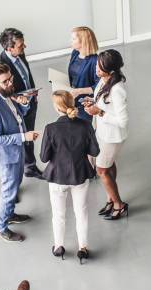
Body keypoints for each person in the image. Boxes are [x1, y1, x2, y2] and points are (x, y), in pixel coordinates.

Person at [0, 63, 40, 242]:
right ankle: (0, 227)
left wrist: (24, 103)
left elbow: (16, 115)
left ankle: (10, 214)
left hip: (16, 150)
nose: (10, 84)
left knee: (15, 186)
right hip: (7, 156)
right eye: (6, 82)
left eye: (11, 79)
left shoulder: (6, 94)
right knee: (8, 191)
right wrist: (24, 136)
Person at [40, 90, 100, 263]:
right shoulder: (85, 126)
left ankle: (58, 246)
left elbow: (44, 157)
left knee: (58, 214)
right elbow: (95, 151)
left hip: (57, 177)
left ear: (57, 107)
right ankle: (83, 249)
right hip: (80, 175)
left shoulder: (51, 129)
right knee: (81, 213)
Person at [83, 49, 129, 220]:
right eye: (97, 65)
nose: (96, 70)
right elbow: (102, 102)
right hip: (103, 132)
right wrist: (93, 103)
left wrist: (99, 112)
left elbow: (123, 120)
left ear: (111, 71)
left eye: (100, 68)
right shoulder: (104, 80)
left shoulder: (117, 90)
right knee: (108, 165)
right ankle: (111, 198)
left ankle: (119, 204)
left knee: (101, 169)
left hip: (113, 136)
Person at [0, 28, 43, 179]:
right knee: (18, 144)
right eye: (21, 45)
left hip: (29, 104)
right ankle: (13, 181)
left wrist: (32, 93)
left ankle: (30, 167)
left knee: (30, 139)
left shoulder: (19, 53)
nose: (24, 47)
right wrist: (17, 98)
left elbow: (26, 73)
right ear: (9, 48)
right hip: (16, 111)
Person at [68, 26, 100, 122]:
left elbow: (99, 87)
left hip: (85, 102)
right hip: (74, 99)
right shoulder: (75, 53)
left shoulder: (95, 60)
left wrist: (79, 91)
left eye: (74, 39)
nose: (70, 41)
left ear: (83, 41)